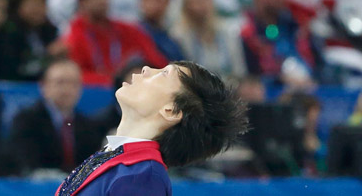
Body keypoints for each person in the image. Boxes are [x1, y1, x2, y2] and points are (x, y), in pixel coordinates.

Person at [55, 62, 248, 196]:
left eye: (164, 73)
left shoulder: (143, 176)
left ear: (171, 110)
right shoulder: (119, 160)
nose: (146, 69)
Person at [5, 58, 103, 174]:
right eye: (60, 82)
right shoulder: (26, 120)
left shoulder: (87, 124)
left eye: (73, 83)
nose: (67, 89)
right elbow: (25, 163)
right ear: (44, 86)